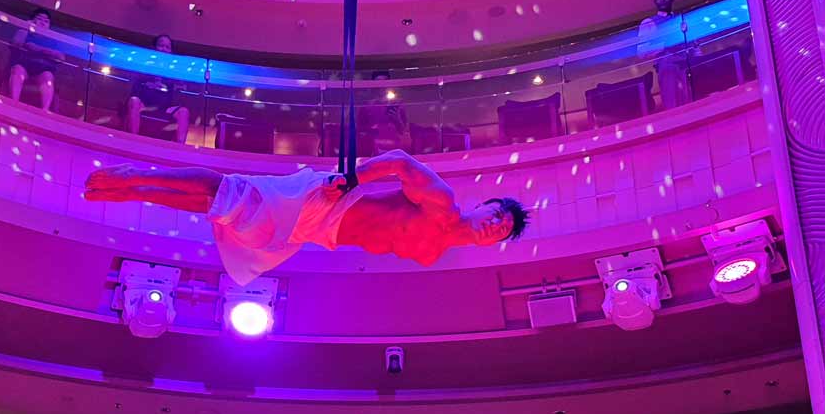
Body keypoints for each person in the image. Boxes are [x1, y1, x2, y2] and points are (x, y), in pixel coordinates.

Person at [85, 149, 528, 286]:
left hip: (316, 233)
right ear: (484, 205)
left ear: (494, 244)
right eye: (497, 215)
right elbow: (399, 161)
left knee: (227, 213)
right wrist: (350, 179)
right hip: (332, 202)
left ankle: (138, 191)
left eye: (502, 230)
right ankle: (138, 175)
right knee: (230, 192)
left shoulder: (433, 255)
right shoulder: (442, 203)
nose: (495, 225)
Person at [637, 0, 693, 109]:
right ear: (655, 1)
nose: (662, 0)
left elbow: (692, 43)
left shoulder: (680, 18)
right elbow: (641, 52)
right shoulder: (648, 22)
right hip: (667, 67)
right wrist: (666, 45)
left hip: (686, 65)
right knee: (672, 104)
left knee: (691, 101)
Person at [127, 34, 191, 143]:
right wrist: (149, 85)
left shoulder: (173, 70)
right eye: (161, 46)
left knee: (184, 112)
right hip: (144, 103)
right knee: (134, 101)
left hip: (165, 108)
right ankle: (133, 140)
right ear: (155, 47)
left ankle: (179, 147)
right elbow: (135, 86)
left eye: (167, 47)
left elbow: (180, 90)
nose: (164, 49)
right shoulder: (144, 65)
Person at [9, 8, 65, 113]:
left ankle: (45, 111)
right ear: (32, 20)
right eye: (39, 19)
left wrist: (39, 49)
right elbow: (16, 43)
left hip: (42, 70)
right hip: (24, 65)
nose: (42, 23)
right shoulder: (25, 32)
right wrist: (26, 26)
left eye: (46, 21)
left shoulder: (52, 39)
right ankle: (13, 103)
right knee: (17, 70)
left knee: (48, 77)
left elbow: (61, 57)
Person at [358, 71, 408, 153]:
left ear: (389, 84)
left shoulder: (397, 103)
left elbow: (403, 131)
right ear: (373, 85)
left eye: (384, 82)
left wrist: (397, 119)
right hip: (372, 148)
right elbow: (361, 131)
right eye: (378, 82)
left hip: (394, 147)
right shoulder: (366, 105)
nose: (381, 86)